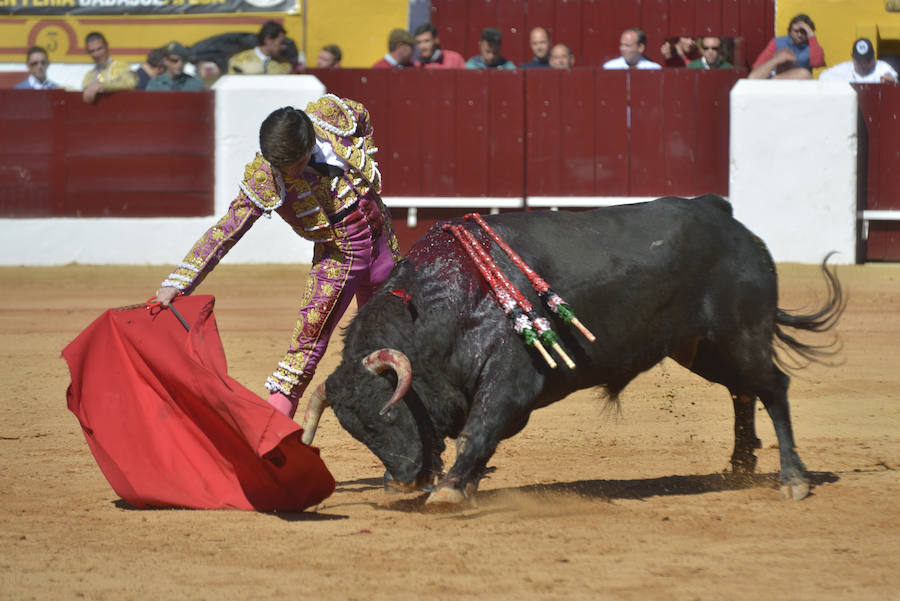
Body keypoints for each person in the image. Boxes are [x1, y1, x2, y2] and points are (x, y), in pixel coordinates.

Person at [155, 95, 401, 419]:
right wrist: (179, 282)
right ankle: (274, 430)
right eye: (281, 168)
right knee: (306, 348)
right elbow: (226, 229)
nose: (288, 174)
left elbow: (362, 116)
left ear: (310, 143)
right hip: (340, 258)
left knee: (390, 335)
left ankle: (394, 418)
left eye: (295, 165)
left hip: (382, 240)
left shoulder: (330, 116)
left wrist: (366, 153)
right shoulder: (267, 176)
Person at [748, 14, 824, 79]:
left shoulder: (811, 46)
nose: (799, 35)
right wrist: (778, 58)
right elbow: (756, 68)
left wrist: (810, 33)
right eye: (796, 31)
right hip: (773, 79)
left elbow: (818, 63)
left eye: (803, 31)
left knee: (804, 73)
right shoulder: (777, 42)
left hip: (796, 83)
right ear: (790, 30)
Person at [81, 32, 137, 103]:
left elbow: (131, 84)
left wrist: (102, 86)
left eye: (99, 49)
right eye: (92, 51)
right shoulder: (90, 74)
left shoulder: (121, 66)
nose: (96, 54)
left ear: (106, 47)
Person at [819, 38, 898, 84]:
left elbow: (892, 76)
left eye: (867, 60)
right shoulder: (844, 68)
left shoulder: (882, 67)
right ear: (852, 58)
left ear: (874, 57)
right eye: (860, 61)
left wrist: (890, 80)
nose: (864, 64)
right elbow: (823, 76)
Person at [227, 21, 293, 74]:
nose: (284, 47)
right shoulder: (239, 62)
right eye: (281, 43)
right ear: (268, 40)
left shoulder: (285, 65)